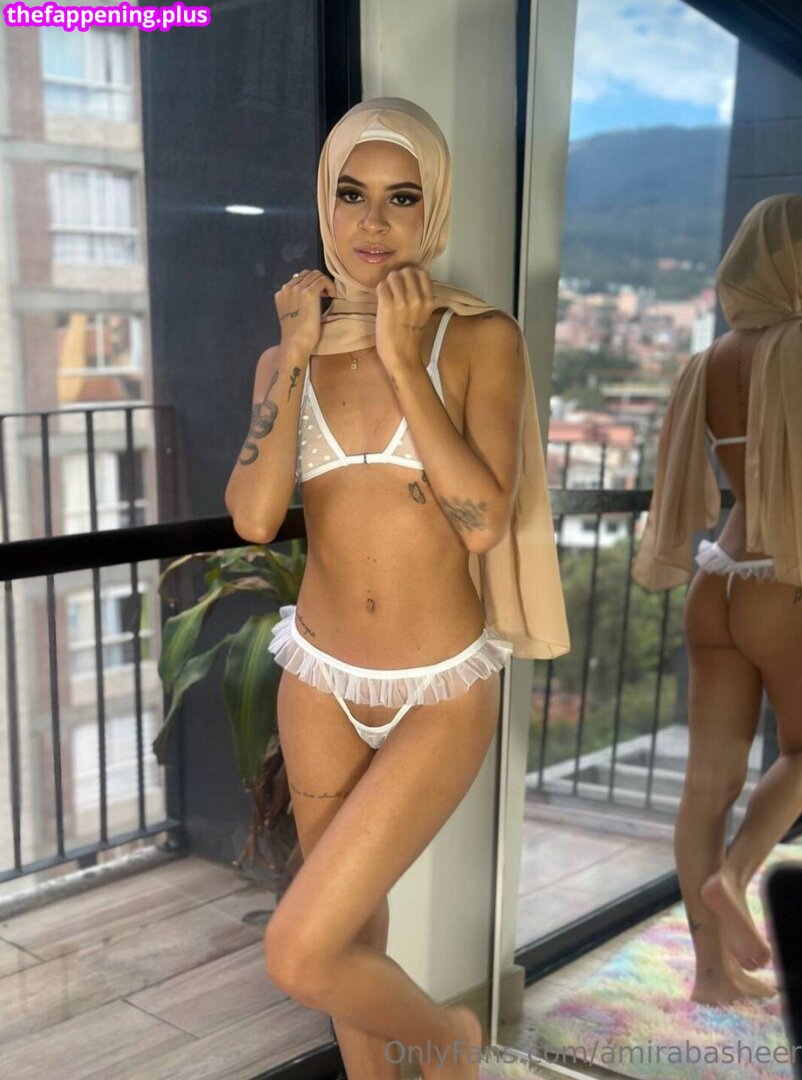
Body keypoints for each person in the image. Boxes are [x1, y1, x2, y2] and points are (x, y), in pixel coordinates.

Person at [224, 97, 569, 1079]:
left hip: (439, 691)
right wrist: (295, 356)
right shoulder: (286, 354)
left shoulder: (481, 337)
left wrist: (405, 364)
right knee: (348, 940)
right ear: (325, 205)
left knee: (299, 953)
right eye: (351, 195)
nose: (372, 223)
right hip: (319, 679)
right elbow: (255, 518)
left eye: (401, 197)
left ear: (433, 209)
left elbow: (482, 520)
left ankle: (450, 1041)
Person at [632, 193, 802, 1006]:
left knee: (705, 788)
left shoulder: (709, 362)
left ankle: (711, 976)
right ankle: (733, 876)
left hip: (719, 579)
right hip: (788, 580)